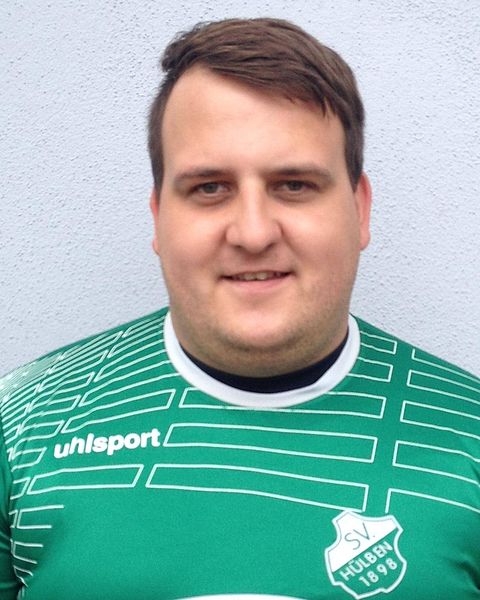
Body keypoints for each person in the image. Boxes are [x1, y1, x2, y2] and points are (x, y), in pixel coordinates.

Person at [0, 17, 478, 600]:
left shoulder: (469, 436)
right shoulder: (17, 427)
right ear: (159, 217)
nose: (253, 233)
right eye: (210, 188)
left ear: (360, 209)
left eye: (294, 184)